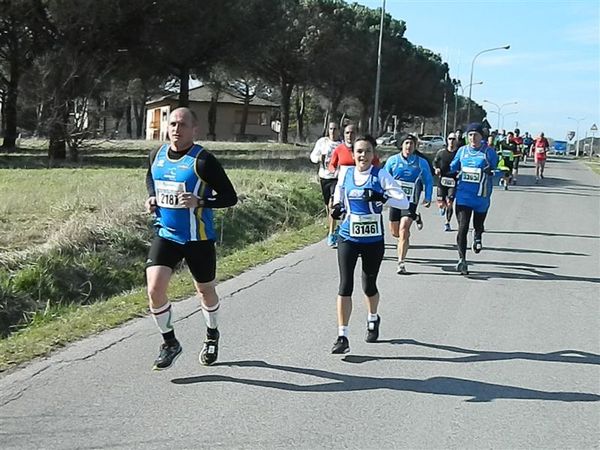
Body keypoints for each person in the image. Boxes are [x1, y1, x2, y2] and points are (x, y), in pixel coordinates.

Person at [145, 107, 238, 370]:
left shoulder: (203, 160)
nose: (176, 129)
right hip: (167, 234)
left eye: (183, 124)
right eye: (172, 123)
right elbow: (151, 178)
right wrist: (152, 197)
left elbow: (230, 197)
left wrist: (201, 201)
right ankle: (170, 342)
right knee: (154, 289)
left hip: (198, 238)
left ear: (194, 130)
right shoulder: (156, 155)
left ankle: (211, 334)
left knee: (205, 291)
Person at [329, 136, 409, 354]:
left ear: (374, 155)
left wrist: (381, 196)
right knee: (345, 285)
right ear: (353, 154)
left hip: (373, 240)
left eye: (367, 151)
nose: (362, 155)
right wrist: (337, 208)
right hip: (348, 237)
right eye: (359, 151)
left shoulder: (380, 175)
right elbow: (339, 199)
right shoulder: (346, 173)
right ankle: (342, 336)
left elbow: (403, 201)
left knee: (369, 286)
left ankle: (373, 318)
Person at [449, 122, 498, 275]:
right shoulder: (462, 151)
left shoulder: (488, 152)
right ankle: (462, 260)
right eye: (470, 135)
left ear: (481, 137)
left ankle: (477, 235)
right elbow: (452, 167)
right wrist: (444, 170)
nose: (473, 138)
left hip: (481, 197)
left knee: (478, 224)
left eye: (475, 135)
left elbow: (499, 170)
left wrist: (491, 171)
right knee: (462, 228)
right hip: (463, 195)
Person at [383, 134, 433, 274]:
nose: (408, 146)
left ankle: (401, 262)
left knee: (404, 229)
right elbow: (384, 179)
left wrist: (428, 197)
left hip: (411, 200)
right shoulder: (392, 161)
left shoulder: (421, 162)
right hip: (395, 200)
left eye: (411, 144)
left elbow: (428, 180)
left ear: (415, 146)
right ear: (401, 145)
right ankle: (415, 219)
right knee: (395, 232)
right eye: (406, 143)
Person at [310, 121, 342, 247]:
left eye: (335, 129)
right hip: (324, 177)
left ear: (339, 130)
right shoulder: (322, 142)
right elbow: (313, 156)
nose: (332, 132)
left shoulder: (342, 144)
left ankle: (331, 234)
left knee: (332, 205)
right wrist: (319, 159)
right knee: (328, 206)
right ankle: (336, 227)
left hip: (337, 178)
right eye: (330, 129)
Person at [433, 132, 459, 231]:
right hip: (442, 180)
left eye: (453, 139)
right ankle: (442, 207)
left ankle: (447, 222)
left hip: (453, 180)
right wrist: (436, 169)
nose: (451, 141)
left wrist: (460, 172)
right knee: (441, 203)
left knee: (450, 203)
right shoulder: (441, 152)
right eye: (450, 139)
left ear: (456, 141)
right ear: (447, 140)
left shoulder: (458, 154)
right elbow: (435, 162)